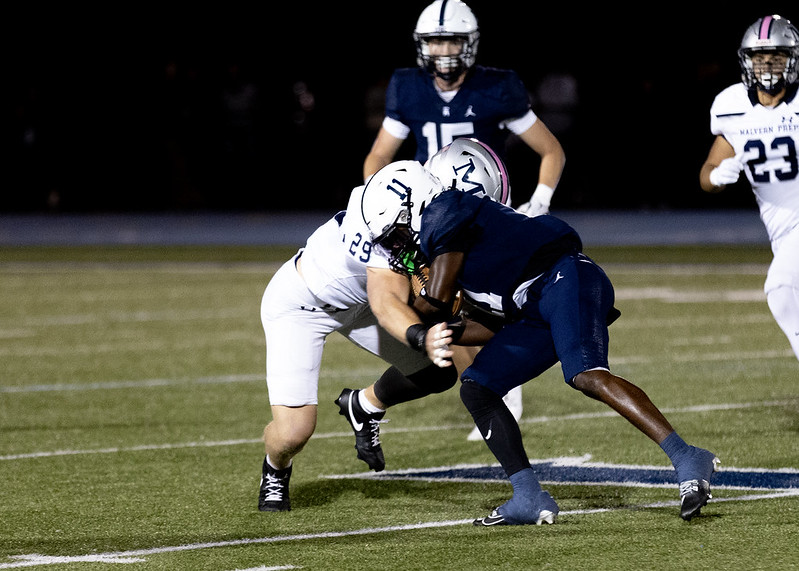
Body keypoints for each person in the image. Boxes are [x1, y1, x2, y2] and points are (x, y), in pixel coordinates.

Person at [358, 160, 720, 524]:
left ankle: (688, 456)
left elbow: (436, 298)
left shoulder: (445, 210)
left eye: (396, 233)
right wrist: (447, 330)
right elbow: (492, 324)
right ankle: (528, 495)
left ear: (413, 203)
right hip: (533, 304)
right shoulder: (462, 237)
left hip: (565, 276)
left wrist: (411, 316)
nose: (397, 246)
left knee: (586, 374)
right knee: (477, 387)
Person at [364, 0, 567, 434]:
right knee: (443, 310)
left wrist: (542, 198)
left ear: (469, 43)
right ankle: (492, 389)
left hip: (486, 216)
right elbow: (378, 158)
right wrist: (381, 200)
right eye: (435, 41)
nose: (443, 50)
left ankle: (501, 385)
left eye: (451, 39)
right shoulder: (408, 88)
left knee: (492, 310)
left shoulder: (497, 87)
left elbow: (550, 149)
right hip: (431, 222)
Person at [257, 179, 459, 512]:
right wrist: (422, 337)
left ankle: (364, 405)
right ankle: (275, 468)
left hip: (358, 302)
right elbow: (385, 302)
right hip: (303, 307)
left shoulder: (396, 199)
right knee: (293, 434)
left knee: (437, 373)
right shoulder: (380, 235)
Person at [336, 137, 519, 466]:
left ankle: (364, 404)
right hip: (354, 297)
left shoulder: (433, 211)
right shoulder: (397, 215)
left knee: (440, 369)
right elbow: (407, 293)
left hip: (388, 291)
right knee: (461, 361)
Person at [699, 14, 799, 362]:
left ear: (792, 60)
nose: (767, 65)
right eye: (759, 58)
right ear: (747, 61)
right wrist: (715, 178)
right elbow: (708, 170)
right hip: (782, 230)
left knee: (781, 289)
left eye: (776, 57)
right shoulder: (732, 106)